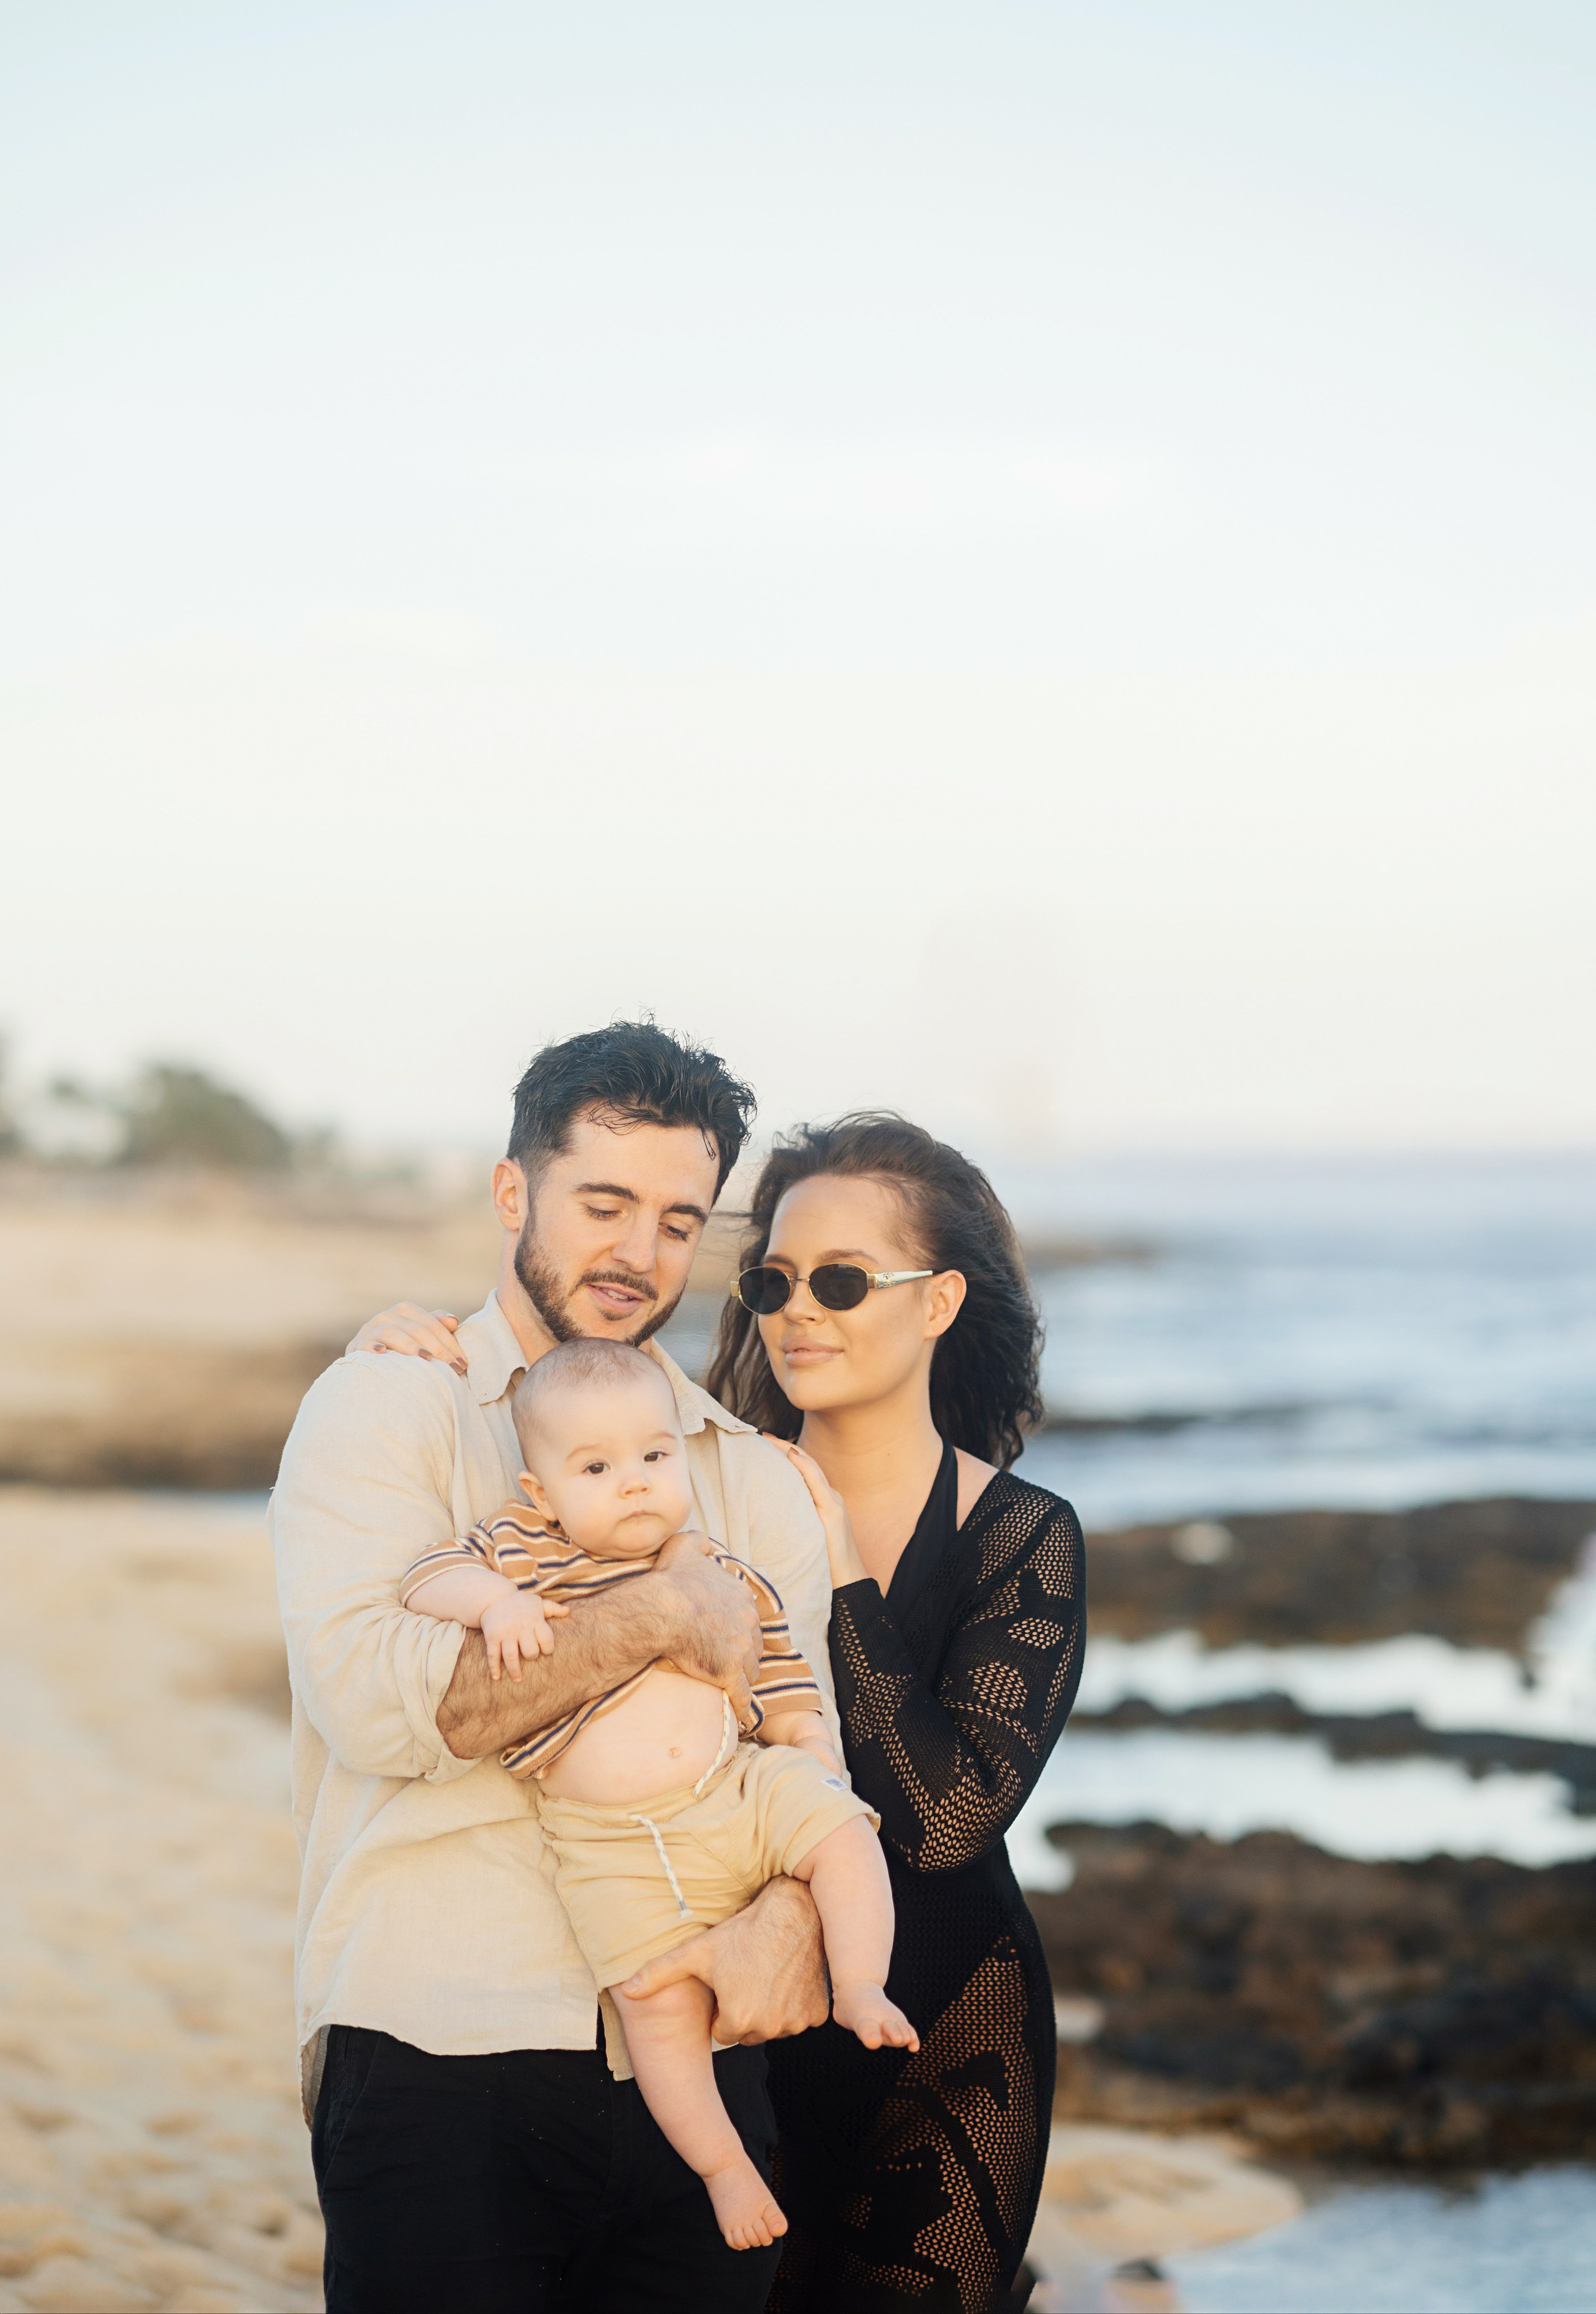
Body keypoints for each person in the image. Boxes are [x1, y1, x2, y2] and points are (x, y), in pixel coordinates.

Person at [360, 1110, 1087, 2314]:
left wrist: (844, 1572)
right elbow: (550, 1427)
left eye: (843, 1281)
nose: (798, 1310)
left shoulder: (1023, 1534)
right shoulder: (690, 1469)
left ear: (940, 1302)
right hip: (730, 2031)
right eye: (773, 1280)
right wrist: (393, 1341)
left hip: (946, 2038)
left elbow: (948, 1820)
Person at [271, 1022, 840, 2314]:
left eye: (677, 1218)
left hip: (698, 2059)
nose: (639, 1254)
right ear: (511, 1190)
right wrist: (652, 1611)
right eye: (604, 1202)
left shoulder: (745, 1476)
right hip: (439, 2047)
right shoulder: (386, 1406)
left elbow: (808, 1757)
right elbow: (375, 1696)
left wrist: (796, 1923)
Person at [398, 1336, 916, 2252]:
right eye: (596, 1466)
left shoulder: (715, 1565)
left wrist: (807, 1749)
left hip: (736, 1790)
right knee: (652, 2008)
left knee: (842, 1829)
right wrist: (494, 1606)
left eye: (654, 1456)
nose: (634, 1482)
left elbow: (788, 1674)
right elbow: (424, 1578)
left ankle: (862, 1983)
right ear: (541, 1492)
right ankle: (723, 2169)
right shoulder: (519, 1548)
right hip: (608, 1841)